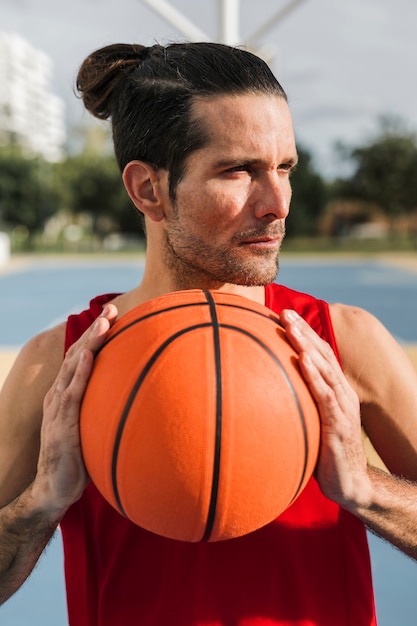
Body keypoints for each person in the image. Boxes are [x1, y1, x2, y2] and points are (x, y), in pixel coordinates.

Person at [1, 41, 417, 626]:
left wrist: (367, 489)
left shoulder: (342, 342)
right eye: (238, 170)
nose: (277, 204)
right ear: (148, 189)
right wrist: (40, 503)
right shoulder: (59, 367)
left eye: (284, 168)